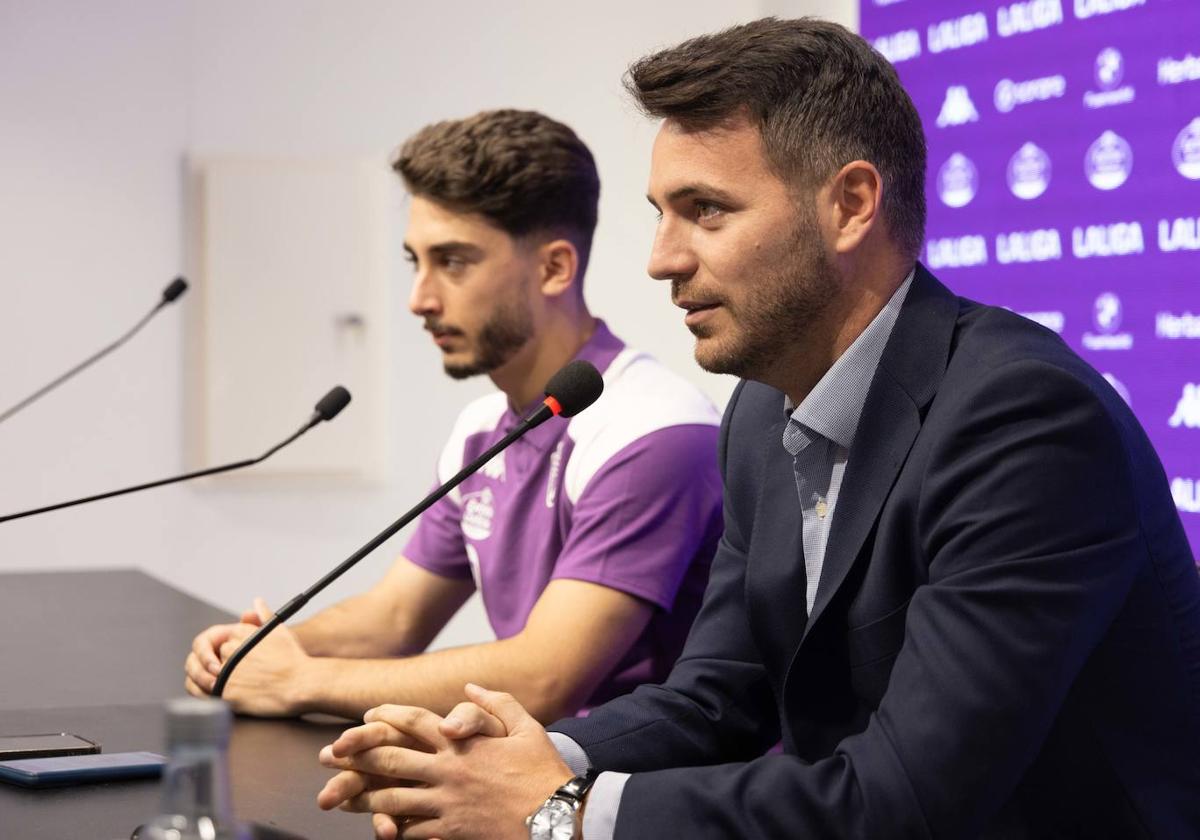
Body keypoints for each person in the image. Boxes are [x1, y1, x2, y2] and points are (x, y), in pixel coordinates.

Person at [313, 18, 1200, 840]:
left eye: (706, 210)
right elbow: (716, 698)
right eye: (660, 213)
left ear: (850, 205)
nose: (662, 258)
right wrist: (521, 754)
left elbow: (907, 798)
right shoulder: (761, 409)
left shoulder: (1023, 420)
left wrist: (561, 812)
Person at [183, 109, 723, 723]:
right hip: (542, 777)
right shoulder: (480, 429)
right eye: (416, 261)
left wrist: (301, 680)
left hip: (651, 799)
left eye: (454, 262)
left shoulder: (653, 432)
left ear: (554, 268)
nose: (421, 299)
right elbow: (396, 617)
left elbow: (544, 678)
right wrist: (261, 652)